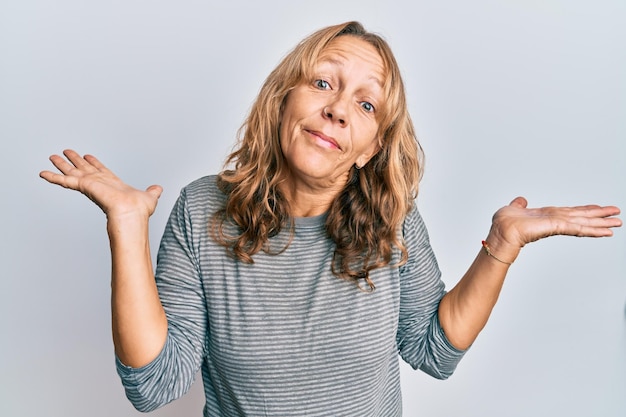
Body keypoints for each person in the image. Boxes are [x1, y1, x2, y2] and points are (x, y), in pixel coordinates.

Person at [39, 21, 621, 416]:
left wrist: (501, 245)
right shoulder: (200, 211)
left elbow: (434, 351)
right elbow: (154, 386)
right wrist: (127, 227)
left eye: (365, 104)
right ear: (283, 100)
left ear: (370, 145)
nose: (338, 109)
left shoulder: (393, 219)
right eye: (323, 83)